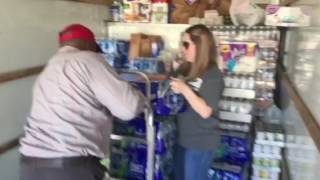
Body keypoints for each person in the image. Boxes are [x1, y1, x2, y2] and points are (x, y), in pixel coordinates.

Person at [19, 24, 145, 180]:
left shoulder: (50, 66)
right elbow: (129, 108)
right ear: (88, 44)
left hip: (30, 166)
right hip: (70, 167)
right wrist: (142, 97)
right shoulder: (89, 59)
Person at [170, 24, 224, 180]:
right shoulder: (186, 69)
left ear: (200, 47)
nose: (182, 49)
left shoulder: (213, 75)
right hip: (182, 138)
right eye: (182, 44)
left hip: (200, 142)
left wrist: (185, 89)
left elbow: (205, 111)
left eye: (186, 44)